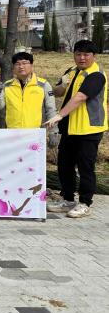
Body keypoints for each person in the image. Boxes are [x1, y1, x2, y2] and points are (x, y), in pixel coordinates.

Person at [45, 40, 107, 218]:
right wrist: (62, 85)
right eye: (78, 54)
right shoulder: (71, 71)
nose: (82, 58)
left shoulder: (96, 75)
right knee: (64, 165)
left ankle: (85, 203)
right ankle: (68, 199)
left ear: (94, 56)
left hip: (89, 129)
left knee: (85, 167)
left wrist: (59, 115)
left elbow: (80, 97)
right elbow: (57, 92)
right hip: (70, 128)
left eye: (86, 54)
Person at [0, 52, 59, 145]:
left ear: (31, 65)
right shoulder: (7, 86)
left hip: (36, 134)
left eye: (24, 63)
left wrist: (53, 132)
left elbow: (51, 109)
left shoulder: (43, 85)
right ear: (13, 67)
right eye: (17, 64)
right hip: (12, 135)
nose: (21, 66)